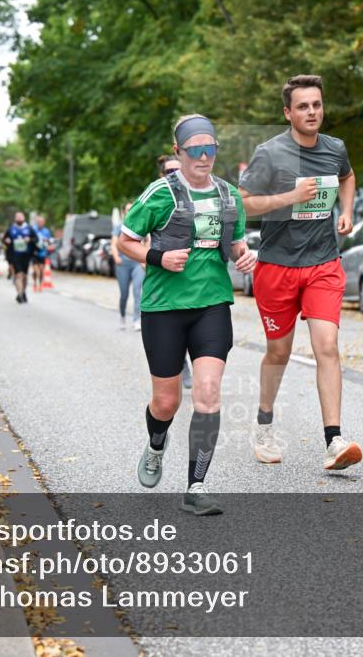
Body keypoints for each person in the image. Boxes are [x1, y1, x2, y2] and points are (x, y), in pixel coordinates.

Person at [118, 114, 256, 515]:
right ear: (179, 152)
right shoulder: (160, 193)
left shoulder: (229, 196)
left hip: (212, 304)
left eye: (209, 148)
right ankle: (156, 445)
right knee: (166, 402)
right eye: (194, 148)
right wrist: (157, 255)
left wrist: (244, 256)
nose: (202, 155)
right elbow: (125, 241)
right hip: (164, 309)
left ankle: (196, 486)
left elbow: (235, 244)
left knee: (209, 392)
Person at [238, 74, 362, 470]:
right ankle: (264, 423)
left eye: (317, 105)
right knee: (279, 351)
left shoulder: (334, 149)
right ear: (288, 112)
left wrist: (346, 211)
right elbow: (243, 203)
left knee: (327, 346)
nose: (312, 112)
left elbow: (347, 176)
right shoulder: (270, 154)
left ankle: (334, 440)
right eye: (303, 106)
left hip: (324, 263)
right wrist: (290, 197)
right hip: (277, 266)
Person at [159, 154, 194, 388]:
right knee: (175, 324)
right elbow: (137, 237)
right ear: (162, 175)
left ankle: (199, 362)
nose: (174, 175)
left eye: (177, 170)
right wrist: (152, 258)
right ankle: (181, 364)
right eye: (168, 171)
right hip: (165, 273)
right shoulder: (157, 196)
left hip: (195, 272)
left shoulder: (199, 193)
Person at [112, 202, 145, 331]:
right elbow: (114, 244)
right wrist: (116, 257)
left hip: (136, 263)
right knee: (124, 293)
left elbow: (147, 242)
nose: (129, 211)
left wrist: (144, 259)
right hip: (123, 263)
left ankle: (137, 320)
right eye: (127, 210)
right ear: (123, 212)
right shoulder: (119, 227)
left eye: (132, 209)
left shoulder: (141, 224)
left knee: (137, 291)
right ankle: (122, 315)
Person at [3, 211, 37, 303]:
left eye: (20, 217)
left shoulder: (29, 228)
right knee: (18, 275)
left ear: (24, 218)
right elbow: (4, 239)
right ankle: (20, 294)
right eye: (17, 217)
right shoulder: (11, 228)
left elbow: (36, 239)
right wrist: (7, 241)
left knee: (25, 276)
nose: (18, 218)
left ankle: (23, 291)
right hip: (15, 256)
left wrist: (29, 239)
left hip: (26, 256)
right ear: (15, 219)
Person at [31, 214, 54, 292]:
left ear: (44, 222)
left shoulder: (46, 231)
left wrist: (46, 242)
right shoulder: (33, 230)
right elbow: (30, 239)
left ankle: (40, 284)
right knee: (36, 271)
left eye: (41, 222)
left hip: (42, 253)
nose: (40, 223)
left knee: (41, 271)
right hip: (34, 252)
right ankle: (34, 283)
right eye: (38, 222)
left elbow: (49, 241)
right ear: (37, 222)